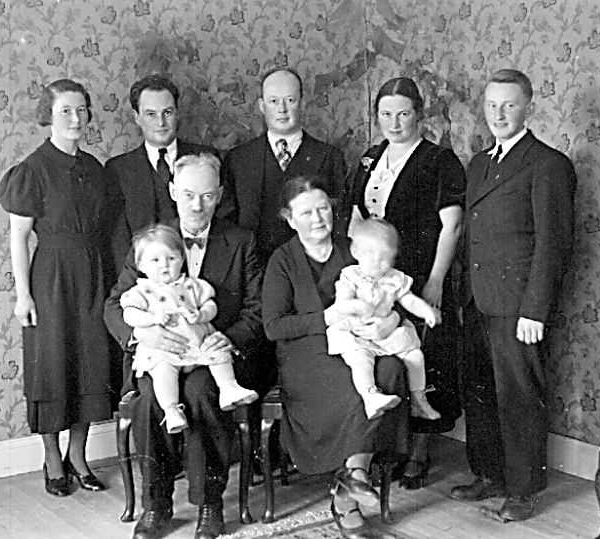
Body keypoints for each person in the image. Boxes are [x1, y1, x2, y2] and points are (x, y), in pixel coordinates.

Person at [104, 153, 265, 539]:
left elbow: (257, 308)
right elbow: (114, 305)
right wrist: (142, 335)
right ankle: (156, 506)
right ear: (174, 191)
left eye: (207, 196)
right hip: (160, 353)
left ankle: (210, 504)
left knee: (202, 392)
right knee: (149, 398)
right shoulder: (151, 239)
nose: (197, 206)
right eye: (189, 195)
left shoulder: (240, 241)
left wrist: (229, 337)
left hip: (212, 354)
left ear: (220, 196)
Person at [451, 69, 576, 522]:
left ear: (528, 108)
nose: (499, 114)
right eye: (492, 106)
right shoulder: (479, 163)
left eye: (509, 105)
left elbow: (553, 244)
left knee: (519, 397)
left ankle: (523, 490)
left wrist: (535, 309)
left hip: (518, 304)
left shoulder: (547, 164)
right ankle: (489, 475)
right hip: (477, 297)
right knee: (480, 391)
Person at [263, 176, 409, 539]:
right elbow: (274, 326)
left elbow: (397, 292)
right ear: (289, 218)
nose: (318, 218)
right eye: (306, 212)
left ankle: (352, 479)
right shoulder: (282, 260)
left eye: (324, 208)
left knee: (391, 368)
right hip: (307, 356)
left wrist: (391, 320)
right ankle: (350, 498)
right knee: (354, 384)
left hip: (361, 343)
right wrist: (329, 316)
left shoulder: (354, 249)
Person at [342, 76, 466, 489]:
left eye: (403, 114)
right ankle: (387, 445)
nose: (394, 123)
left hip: (419, 276)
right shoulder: (370, 158)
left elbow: (451, 226)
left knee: (419, 354)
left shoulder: (438, 160)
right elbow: (356, 218)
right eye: (385, 114)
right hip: (376, 278)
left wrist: (434, 281)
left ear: (419, 114)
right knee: (380, 354)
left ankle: (419, 451)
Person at [0, 79, 118, 496]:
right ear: (47, 116)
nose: (75, 118)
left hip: (94, 274)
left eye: (82, 110)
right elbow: (18, 237)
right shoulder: (32, 170)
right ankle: (52, 460)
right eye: (66, 110)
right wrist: (23, 295)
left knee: (91, 364)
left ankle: (78, 457)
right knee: (51, 367)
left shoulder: (94, 168)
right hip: (51, 277)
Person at [120, 224, 258, 433]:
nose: (165, 265)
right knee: (162, 373)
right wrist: (150, 319)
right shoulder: (141, 291)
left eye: (171, 259)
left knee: (218, 354)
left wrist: (202, 314)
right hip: (162, 350)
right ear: (141, 265)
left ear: (181, 259)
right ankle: (172, 410)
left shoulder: (192, 285)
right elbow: (128, 313)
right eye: (155, 261)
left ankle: (228, 388)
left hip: (199, 343)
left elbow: (210, 304)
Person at [217, 67, 347, 260]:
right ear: (262, 105)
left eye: (290, 100)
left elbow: (339, 224)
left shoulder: (329, 157)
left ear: (302, 103)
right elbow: (227, 226)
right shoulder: (238, 159)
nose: (282, 109)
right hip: (252, 267)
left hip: (312, 267)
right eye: (274, 101)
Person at [327, 218, 442, 421]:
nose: (379, 263)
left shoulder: (394, 278)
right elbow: (341, 305)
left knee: (415, 356)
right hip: (358, 332)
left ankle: (418, 399)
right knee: (361, 359)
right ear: (356, 252)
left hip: (386, 332)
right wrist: (356, 305)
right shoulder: (351, 276)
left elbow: (408, 300)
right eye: (371, 256)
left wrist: (426, 311)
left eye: (385, 258)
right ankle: (370, 396)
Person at [106, 74, 217, 271]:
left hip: (200, 271)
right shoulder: (118, 169)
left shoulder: (206, 158)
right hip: (143, 277)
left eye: (167, 112)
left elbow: (221, 224)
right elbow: (118, 239)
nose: (161, 122)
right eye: (151, 114)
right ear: (137, 117)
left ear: (177, 113)